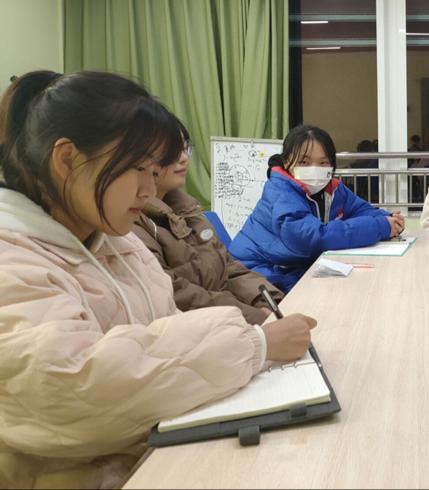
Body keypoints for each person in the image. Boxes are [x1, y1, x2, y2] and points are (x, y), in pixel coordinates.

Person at [0, 71, 316, 489]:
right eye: (139, 169)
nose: (149, 191)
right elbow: (72, 390)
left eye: (156, 172)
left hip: (162, 454)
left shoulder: (119, 243)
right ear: (67, 160)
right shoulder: (13, 258)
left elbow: (172, 325)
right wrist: (253, 344)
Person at [131, 132, 283, 325]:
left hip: (230, 320)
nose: (184, 158)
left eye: (185, 148)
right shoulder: (133, 226)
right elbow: (178, 295)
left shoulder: (190, 211)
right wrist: (255, 316)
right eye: (171, 151)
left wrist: (271, 302)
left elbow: (228, 266)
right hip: (200, 329)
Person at [229, 125, 404, 292]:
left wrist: (390, 219)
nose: (314, 169)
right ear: (287, 161)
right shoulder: (280, 192)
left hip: (291, 265)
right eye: (304, 162)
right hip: (255, 272)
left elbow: (359, 209)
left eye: (323, 162)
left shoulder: (333, 188)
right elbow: (314, 238)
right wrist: (381, 226)